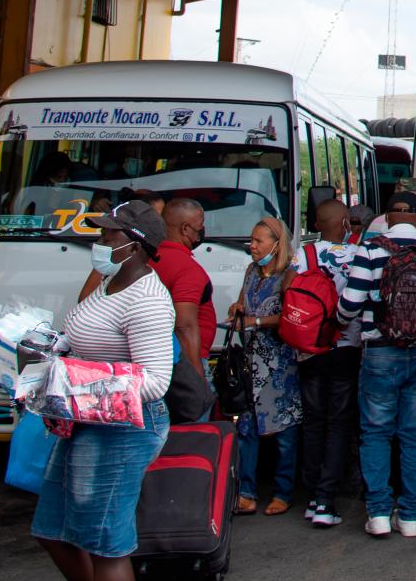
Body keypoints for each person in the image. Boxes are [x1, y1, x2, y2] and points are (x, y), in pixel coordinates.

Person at [30, 199, 174, 581]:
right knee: (53, 530)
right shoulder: (111, 283)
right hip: (86, 420)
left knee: (103, 541)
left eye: (109, 233)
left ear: (135, 245)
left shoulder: (148, 300)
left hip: (124, 430)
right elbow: (88, 340)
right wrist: (52, 347)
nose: (101, 240)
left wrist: (76, 382)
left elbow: (156, 380)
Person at [340, 190, 416, 538]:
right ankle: (411, 517)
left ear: (389, 217)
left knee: (376, 432)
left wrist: (341, 317)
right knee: (414, 436)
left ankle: (378, 513)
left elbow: (350, 303)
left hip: (380, 351)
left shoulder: (371, 249)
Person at [226, 215, 301, 516]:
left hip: (280, 361)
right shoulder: (251, 271)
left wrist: (255, 320)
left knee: (284, 431)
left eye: (258, 241)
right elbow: (243, 301)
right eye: (252, 240)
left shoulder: (290, 275)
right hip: (250, 360)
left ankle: (283, 492)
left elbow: (291, 316)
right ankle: (247, 491)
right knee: (247, 428)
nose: (252, 246)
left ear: (277, 242)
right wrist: (238, 308)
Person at [298, 198, 362, 529]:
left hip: (308, 349)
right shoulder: (357, 254)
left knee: (313, 421)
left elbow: (287, 295)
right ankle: (326, 499)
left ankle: (311, 497)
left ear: (317, 223)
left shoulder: (303, 254)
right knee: (338, 422)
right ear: (346, 223)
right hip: (346, 346)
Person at [154, 198, 216, 380]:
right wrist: (197, 378)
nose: (201, 231)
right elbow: (185, 327)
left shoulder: (146, 258)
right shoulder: (188, 269)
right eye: (200, 225)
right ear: (185, 229)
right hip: (183, 362)